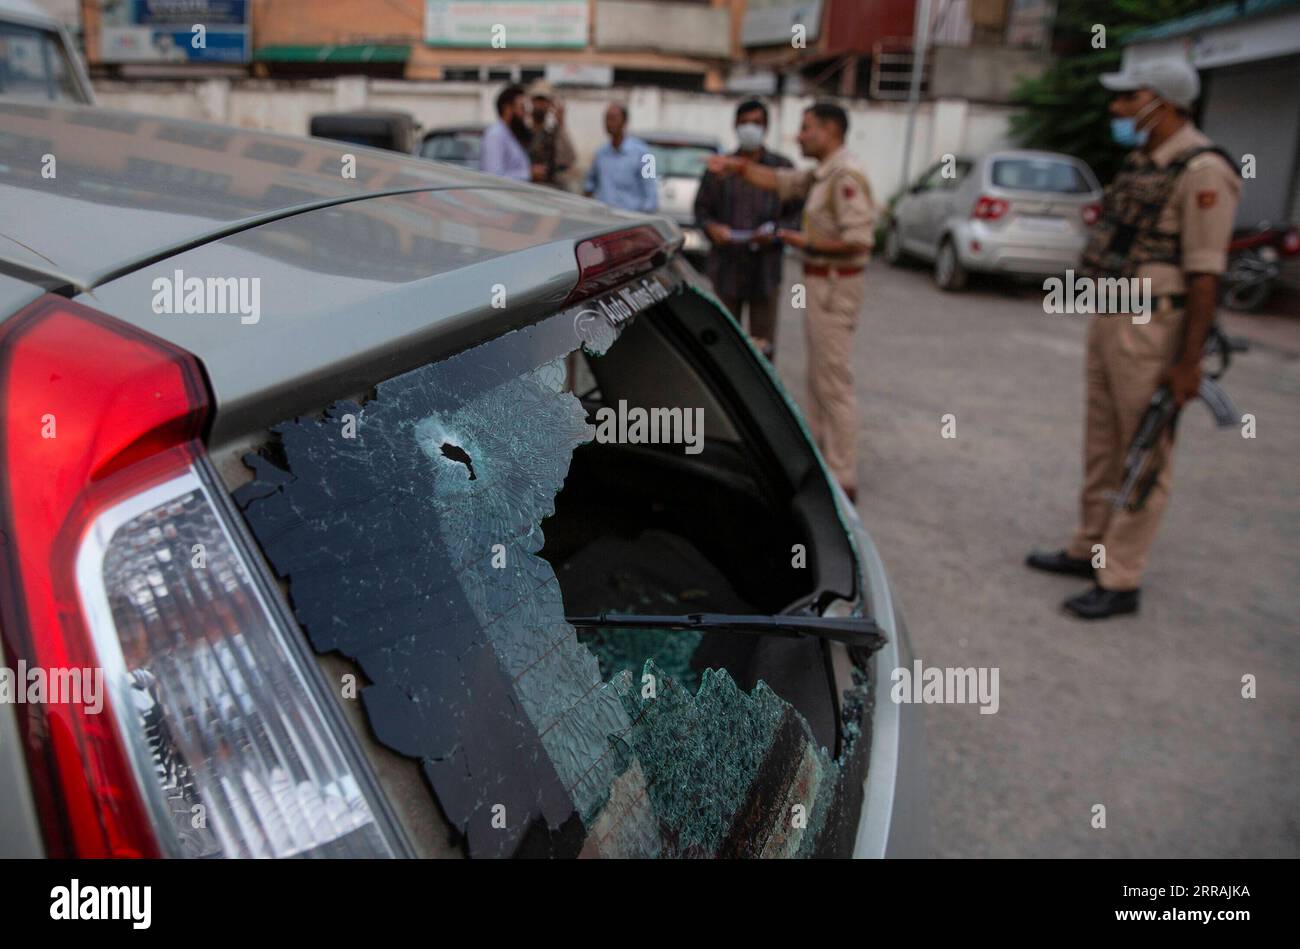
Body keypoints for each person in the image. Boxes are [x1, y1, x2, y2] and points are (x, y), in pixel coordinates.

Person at [1025, 58, 1241, 620]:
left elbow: (1205, 274)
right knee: (1103, 444)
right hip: (1112, 315)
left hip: (1154, 325)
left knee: (1143, 453)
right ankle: (1088, 547)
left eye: (1128, 98)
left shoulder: (1203, 170)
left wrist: (1188, 361)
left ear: (1162, 103)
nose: (1117, 109)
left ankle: (1120, 578)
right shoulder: (1143, 162)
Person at [706, 101, 875, 502]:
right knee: (818, 377)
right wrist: (740, 169)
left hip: (836, 285)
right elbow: (782, 181)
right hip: (822, 284)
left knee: (833, 380)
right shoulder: (822, 173)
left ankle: (842, 476)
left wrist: (805, 242)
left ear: (830, 131)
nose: (799, 135)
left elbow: (860, 240)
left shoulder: (845, 175)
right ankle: (823, 463)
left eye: (806, 128)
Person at [694, 99, 801, 359]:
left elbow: (795, 217)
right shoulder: (720, 168)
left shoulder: (782, 168)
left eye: (756, 123)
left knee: (762, 348)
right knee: (723, 343)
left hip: (765, 269)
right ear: (735, 126)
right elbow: (701, 210)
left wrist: (775, 233)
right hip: (726, 268)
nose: (750, 128)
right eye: (744, 123)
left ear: (766, 127)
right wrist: (711, 228)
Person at [584, 103, 658, 213]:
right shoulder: (601, 154)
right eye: (606, 119)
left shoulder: (645, 154)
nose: (609, 123)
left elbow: (651, 193)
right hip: (603, 218)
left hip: (629, 221)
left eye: (613, 118)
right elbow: (589, 186)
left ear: (624, 122)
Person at [526, 79, 576, 189]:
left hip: (548, 190)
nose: (540, 104)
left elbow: (568, 159)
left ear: (550, 104)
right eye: (538, 100)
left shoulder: (554, 133)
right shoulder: (523, 131)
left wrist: (561, 123)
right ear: (532, 101)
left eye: (544, 100)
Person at [481, 84, 534, 182]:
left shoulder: (512, 134)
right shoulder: (495, 135)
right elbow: (493, 177)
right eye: (522, 108)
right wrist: (529, 173)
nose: (525, 113)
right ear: (507, 109)